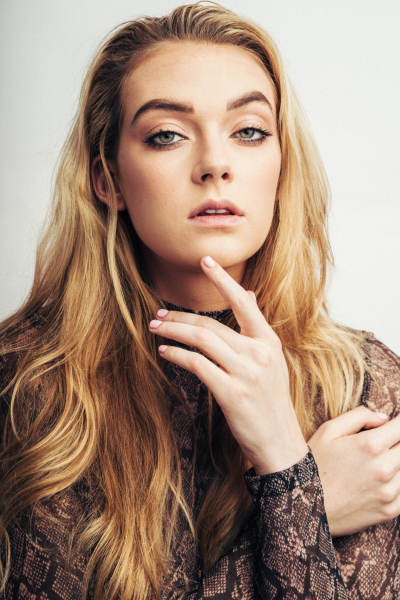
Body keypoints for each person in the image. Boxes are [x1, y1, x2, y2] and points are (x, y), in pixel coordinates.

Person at [0, 3, 399, 599]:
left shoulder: (365, 386)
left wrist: (280, 449)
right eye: (167, 135)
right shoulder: (25, 383)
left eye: (249, 131)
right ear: (108, 179)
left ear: (281, 166)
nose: (215, 164)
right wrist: (299, 497)